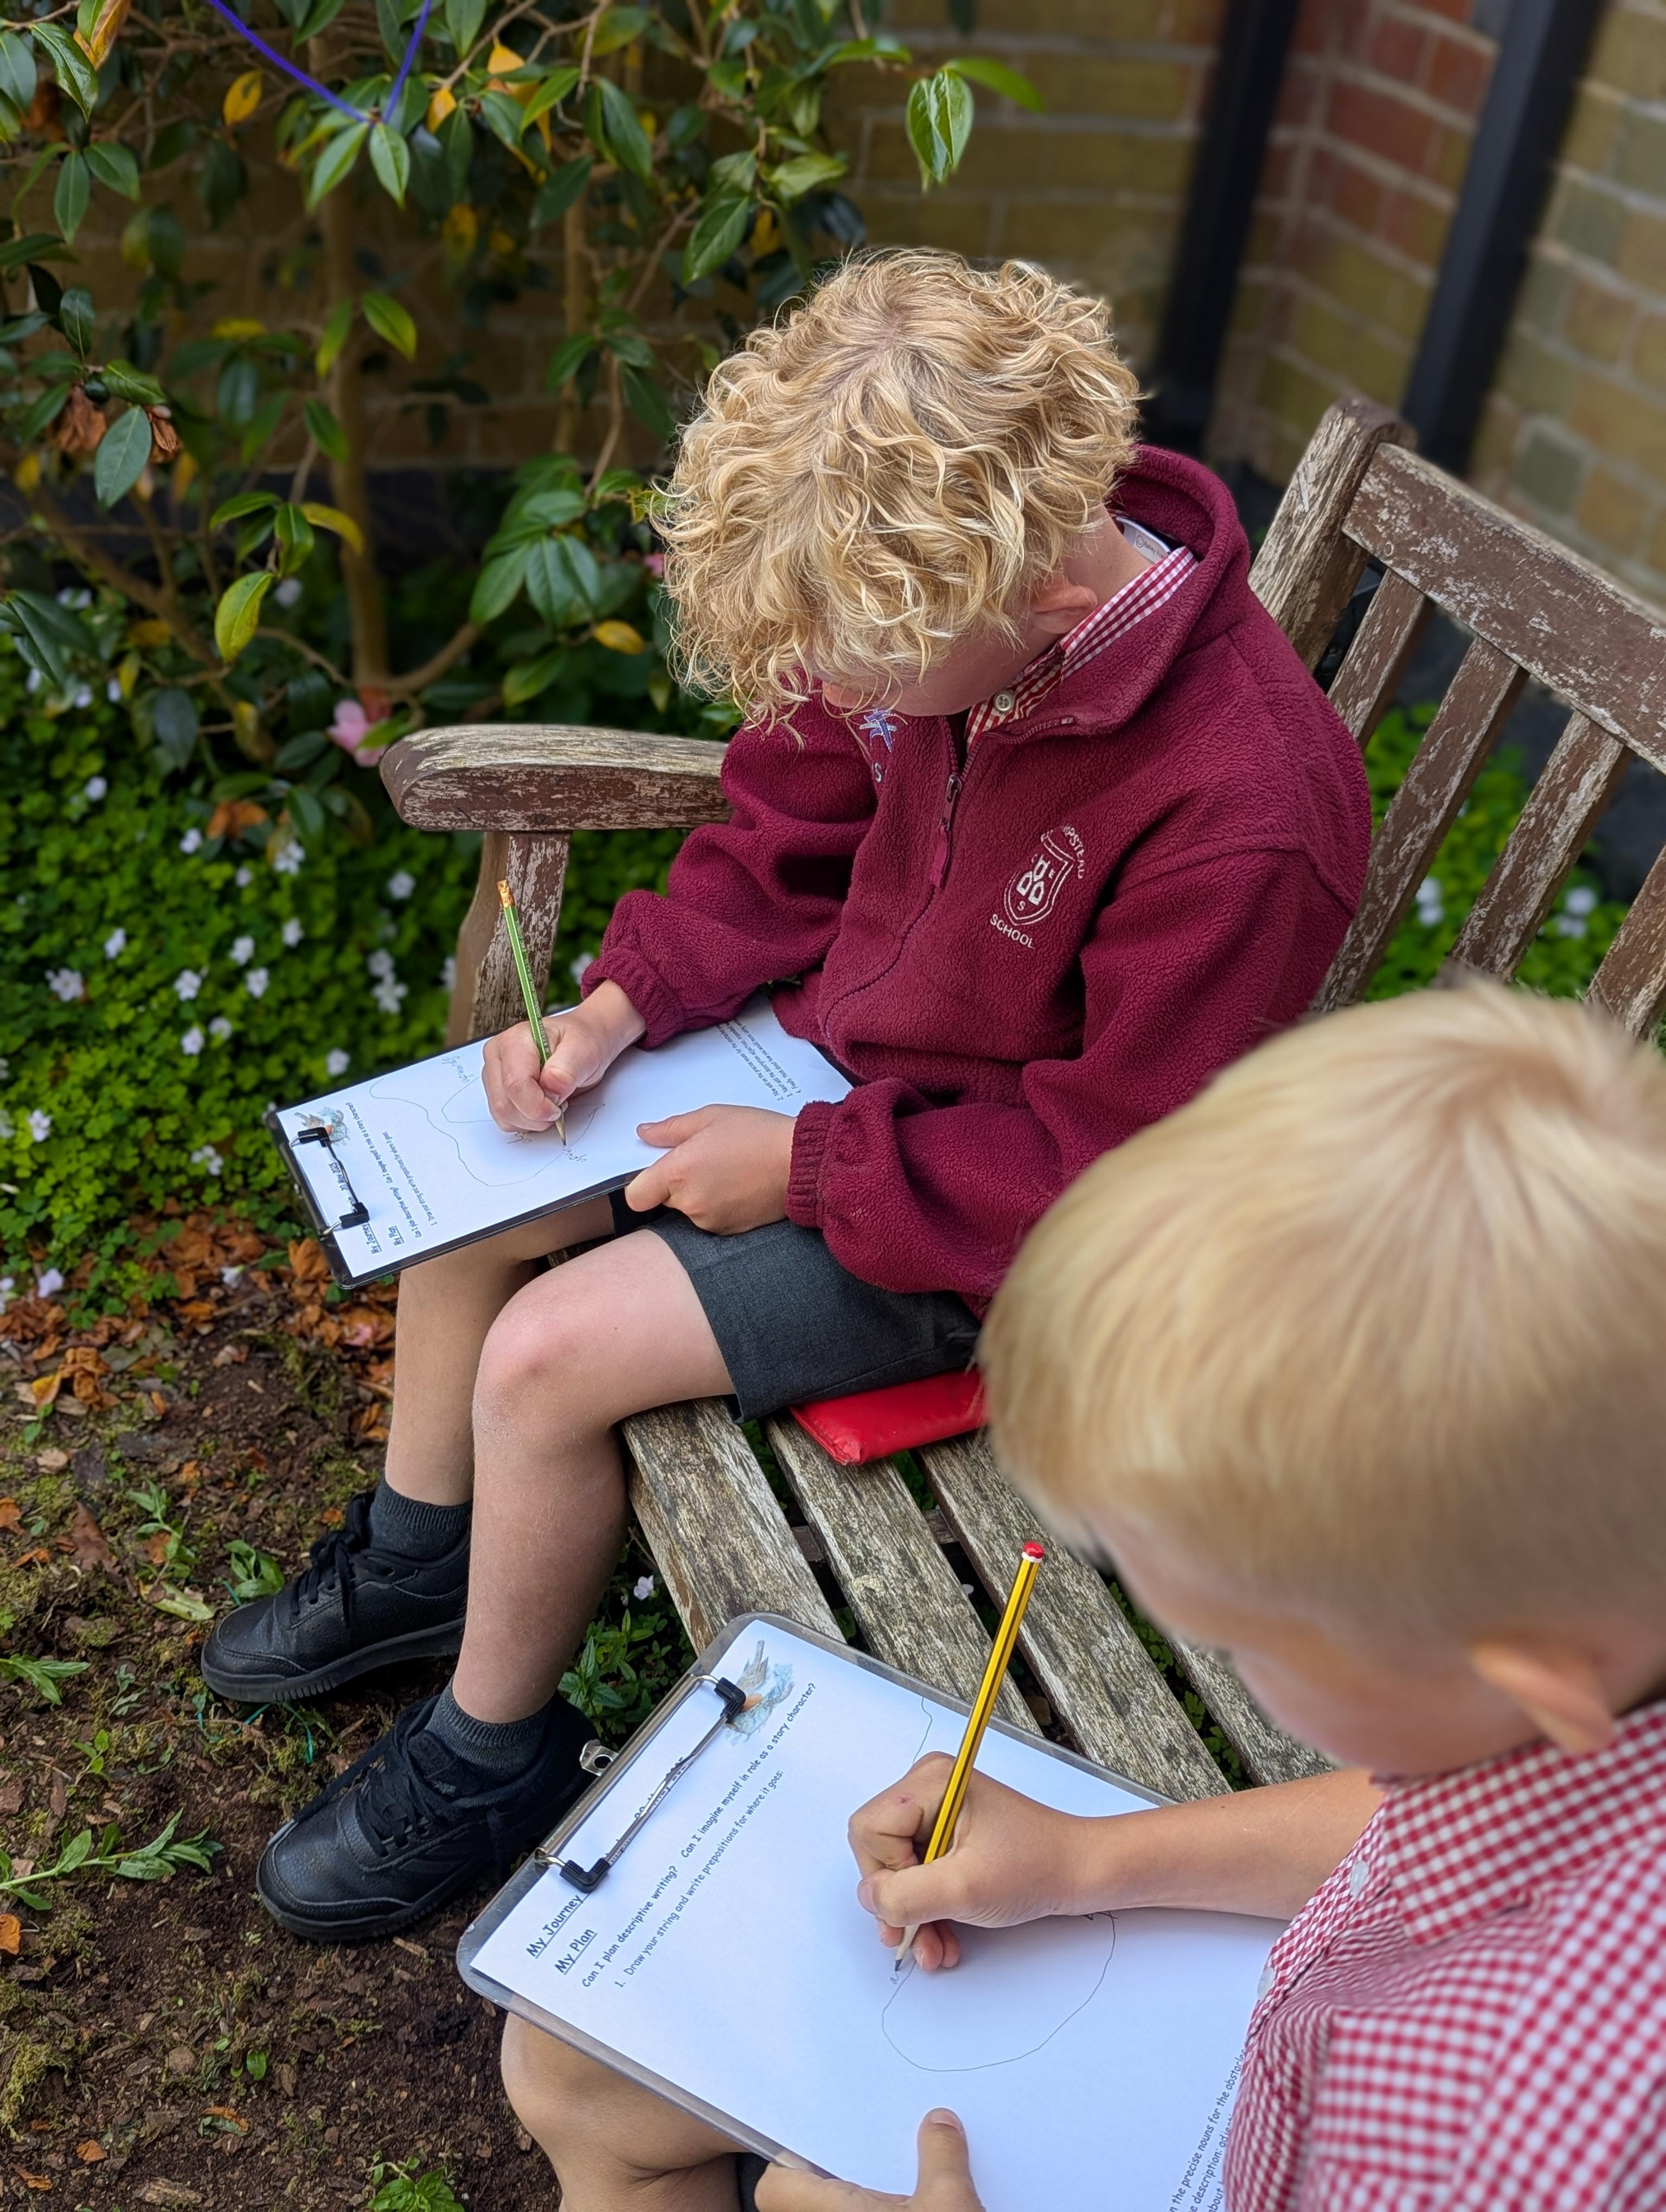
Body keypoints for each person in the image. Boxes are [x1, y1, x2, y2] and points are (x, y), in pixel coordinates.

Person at [200, 248, 1369, 1942]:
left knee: (544, 1357)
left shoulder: (1243, 810)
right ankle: (420, 1559)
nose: (841, 691)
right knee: (473, 1188)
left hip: (999, 1239)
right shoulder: (936, 614)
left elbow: (1112, 1177)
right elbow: (789, 829)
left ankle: (491, 1748)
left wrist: (809, 1172)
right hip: (825, 1084)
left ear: (1036, 599)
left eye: (865, 669)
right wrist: (621, 1006)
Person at [502, 982, 1666, 2209]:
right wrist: (1086, 1860)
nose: (1216, 1646)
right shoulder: (1568, 1686)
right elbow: (1422, 1811)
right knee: (570, 2061)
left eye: (1243, 1635)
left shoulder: (1519, 2135)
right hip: (1282, 2038)